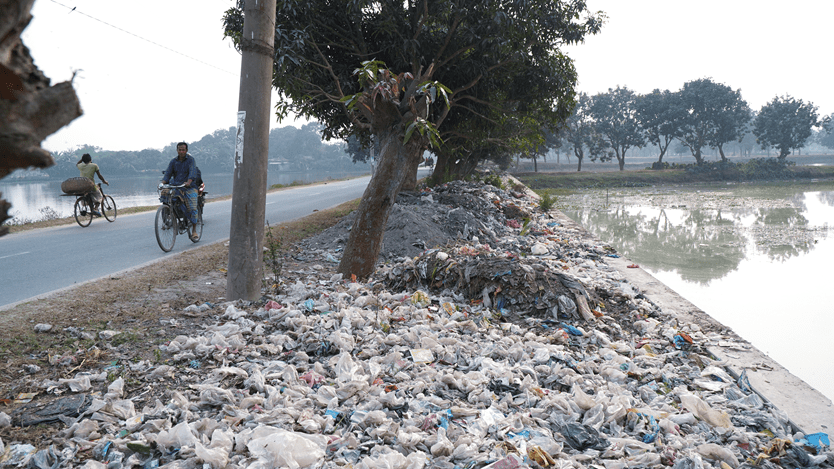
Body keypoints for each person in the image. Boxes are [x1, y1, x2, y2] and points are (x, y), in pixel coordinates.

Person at [162, 142, 200, 241]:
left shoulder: (191, 160)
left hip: (189, 187)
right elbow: (168, 173)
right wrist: (163, 183)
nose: (181, 151)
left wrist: (189, 182)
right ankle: (172, 216)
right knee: (167, 197)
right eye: (180, 149)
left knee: (192, 208)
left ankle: (194, 230)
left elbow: (192, 172)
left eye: (183, 149)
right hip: (176, 186)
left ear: (186, 150)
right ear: (177, 150)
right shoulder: (173, 161)